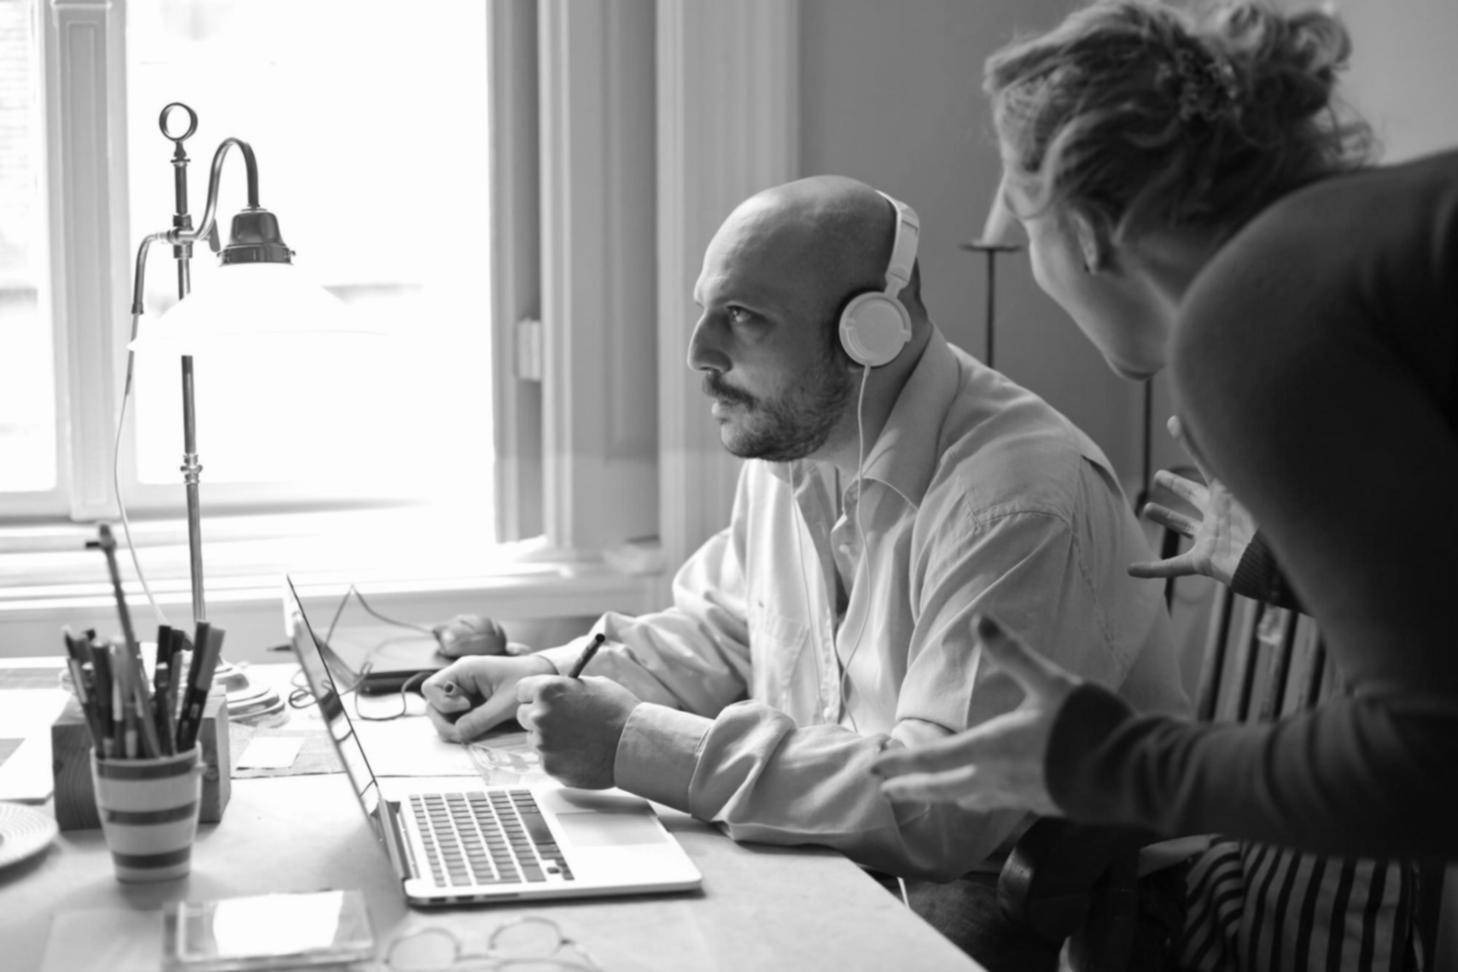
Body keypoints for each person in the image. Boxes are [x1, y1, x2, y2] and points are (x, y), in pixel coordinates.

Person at [423, 175, 1186, 963]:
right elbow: (726, 632)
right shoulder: (795, 449)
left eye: (743, 319)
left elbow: (939, 807)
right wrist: (547, 675)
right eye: (705, 312)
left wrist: (633, 743)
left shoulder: (1018, 500)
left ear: (870, 332)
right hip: (848, 854)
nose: (698, 354)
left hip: (1026, 901)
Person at [872, 0, 1458, 861]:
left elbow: (1429, 770)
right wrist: (1285, 568)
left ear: (1084, 229)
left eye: (1026, 225)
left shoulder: (1251, 313)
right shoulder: (1362, 245)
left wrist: (1106, 763)